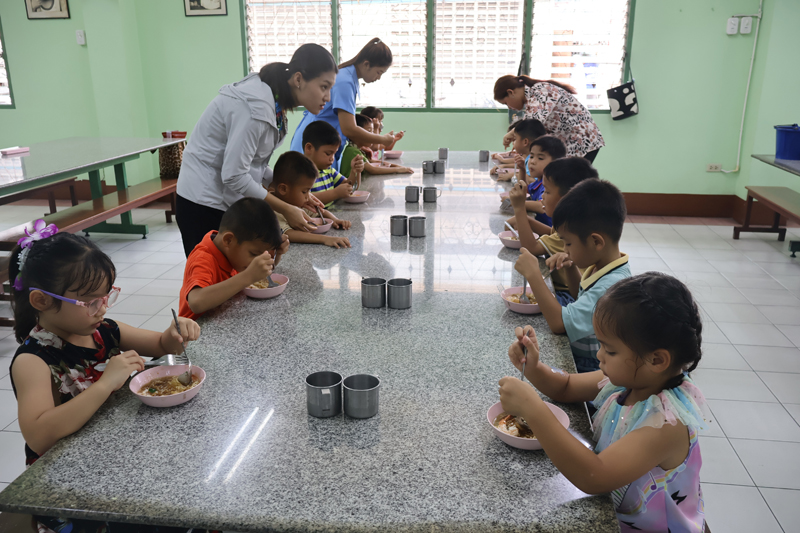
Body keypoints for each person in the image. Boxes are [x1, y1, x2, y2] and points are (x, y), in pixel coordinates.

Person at [8, 224, 203, 533]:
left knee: (187, 490)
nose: (103, 308)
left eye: (106, 296)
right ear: (41, 301)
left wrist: (176, 333)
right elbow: (39, 436)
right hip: (69, 484)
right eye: (90, 302)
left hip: (114, 457)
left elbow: (161, 344)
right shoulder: (34, 360)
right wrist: (105, 384)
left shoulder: (104, 330)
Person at [499, 272, 709, 532]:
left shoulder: (666, 424)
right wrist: (533, 367)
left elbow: (594, 476)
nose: (600, 355)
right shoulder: (632, 378)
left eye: (610, 350)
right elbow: (566, 386)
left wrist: (533, 408)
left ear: (656, 360)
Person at [175, 44, 337, 257]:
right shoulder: (255, 108)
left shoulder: (274, 101)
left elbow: (255, 163)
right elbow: (234, 175)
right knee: (209, 271)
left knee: (234, 272)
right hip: (201, 201)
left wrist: (294, 191)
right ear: (298, 79)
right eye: (324, 87)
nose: (328, 97)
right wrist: (285, 208)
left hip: (222, 197)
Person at [515, 179, 630, 372]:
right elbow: (581, 296)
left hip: (589, 365)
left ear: (596, 242)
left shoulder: (610, 287)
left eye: (568, 243)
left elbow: (559, 324)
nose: (565, 249)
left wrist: (533, 274)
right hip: (580, 352)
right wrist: (570, 268)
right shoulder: (602, 265)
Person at [290, 38, 403, 169]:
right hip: (315, 145)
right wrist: (382, 139)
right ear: (366, 64)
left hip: (322, 143)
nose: (378, 78)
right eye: (379, 72)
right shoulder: (345, 81)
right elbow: (349, 128)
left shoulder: (349, 77)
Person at [179, 198, 289, 320]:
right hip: (197, 328)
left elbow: (262, 272)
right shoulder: (203, 258)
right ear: (228, 240)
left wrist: (277, 254)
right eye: (254, 254)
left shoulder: (233, 253)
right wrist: (248, 276)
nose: (256, 261)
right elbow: (196, 302)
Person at [508, 157, 598, 304]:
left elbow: (530, 247)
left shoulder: (572, 229)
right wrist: (528, 221)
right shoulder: (571, 221)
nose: (542, 196)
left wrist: (519, 208)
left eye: (547, 192)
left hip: (567, 294)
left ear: (566, 199)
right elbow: (551, 233)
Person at [494, 74, 605, 161]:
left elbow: (533, 123)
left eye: (506, 103)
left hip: (582, 139)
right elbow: (531, 125)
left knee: (569, 180)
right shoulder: (531, 99)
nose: (509, 107)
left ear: (511, 92)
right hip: (570, 141)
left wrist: (512, 133)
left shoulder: (540, 90)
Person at [268, 152, 352, 249]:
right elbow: (289, 234)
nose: (309, 197)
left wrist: (335, 220)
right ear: (283, 189)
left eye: (310, 191)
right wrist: (325, 239)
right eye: (304, 191)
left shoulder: (296, 202)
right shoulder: (271, 209)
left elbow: (321, 213)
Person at [300, 121, 365, 207]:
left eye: (334, 154)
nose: (332, 158)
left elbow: (349, 186)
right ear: (309, 148)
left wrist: (355, 171)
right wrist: (335, 193)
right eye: (328, 153)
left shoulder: (329, 170)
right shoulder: (301, 173)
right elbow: (305, 199)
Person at [340, 115, 413, 177]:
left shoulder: (358, 149)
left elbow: (374, 162)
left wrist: (399, 167)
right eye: (369, 132)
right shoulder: (353, 151)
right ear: (358, 133)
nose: (372, 135)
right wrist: (398, 170)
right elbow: (373, 170)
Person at [523, 135, 567, 227]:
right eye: (531, 156)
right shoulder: (538, 182)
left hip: (549, 230)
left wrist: (516, 203)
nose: (532, 161)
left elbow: (541, 206)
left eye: (540, 158)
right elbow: (524, 192)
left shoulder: (548, 186)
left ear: (555, 163)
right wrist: (522, 170)